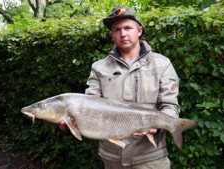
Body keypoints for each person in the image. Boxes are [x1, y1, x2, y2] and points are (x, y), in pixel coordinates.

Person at [61, 5, 180, 169]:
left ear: (139, 31)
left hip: (151, 159)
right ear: (111, 35)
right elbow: (90, 103)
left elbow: (170, 105)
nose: (123, 34)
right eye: (117, 30)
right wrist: (75, 119)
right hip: (112, 158)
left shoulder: (162, 64)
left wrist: (157, 125)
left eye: (128, 28)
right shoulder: (99, 67)